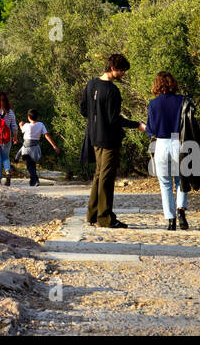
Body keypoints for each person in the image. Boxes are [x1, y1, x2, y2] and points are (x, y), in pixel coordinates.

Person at [79, 53, 145, 228]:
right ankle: (105, 218)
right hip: (109, 139)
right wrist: (136, 124)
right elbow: (114, 119)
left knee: (99, 176)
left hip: (94, 137)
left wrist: (96, 119)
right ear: (114, 69)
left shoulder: (91, 84)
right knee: (106, 178)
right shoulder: (112, 91)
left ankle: (92, 215)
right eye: (122, 70)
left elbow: (83, 110)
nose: (124, 74)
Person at [146, 71, 194, 231]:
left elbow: (151, 130)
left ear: (157, 85)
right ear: (173, 83)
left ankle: (171, 220)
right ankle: (181, 210)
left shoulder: (153, 104)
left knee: (165, 184)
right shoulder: (182, 101)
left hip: (161, 144)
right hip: (179, 142)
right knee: (182, 180)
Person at [18, 109, 60, 186]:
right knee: (32, 164)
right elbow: (46, 135)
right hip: (35, 148)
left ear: (28, 117)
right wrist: (54, 146)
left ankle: (36, 179)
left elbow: (22, 129)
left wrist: (20, 125)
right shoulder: (41, 125)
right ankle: (33, 180)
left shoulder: (27, 125)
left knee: (29, 165)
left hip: (27, 148)